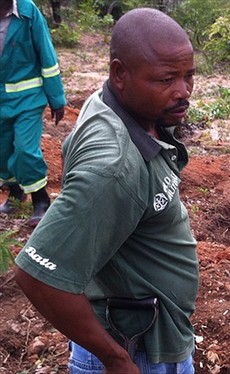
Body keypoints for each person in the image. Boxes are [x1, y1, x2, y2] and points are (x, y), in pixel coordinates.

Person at [14, 8, 199, 374]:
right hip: (138, 351)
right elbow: (36, 274)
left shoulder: (127, 111)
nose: (183, 92)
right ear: (119, 74)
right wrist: (114, 359)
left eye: (189, 76)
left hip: (152, 335)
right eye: (166, 80)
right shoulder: (113, 169)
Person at [0, 0, 66, 227]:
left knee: (25, 149)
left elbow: (47, 56)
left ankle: (41, 200)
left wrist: (56, 98)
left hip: (28, 98)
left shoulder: (28, 12)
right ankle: (16, 194)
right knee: (3, 150)